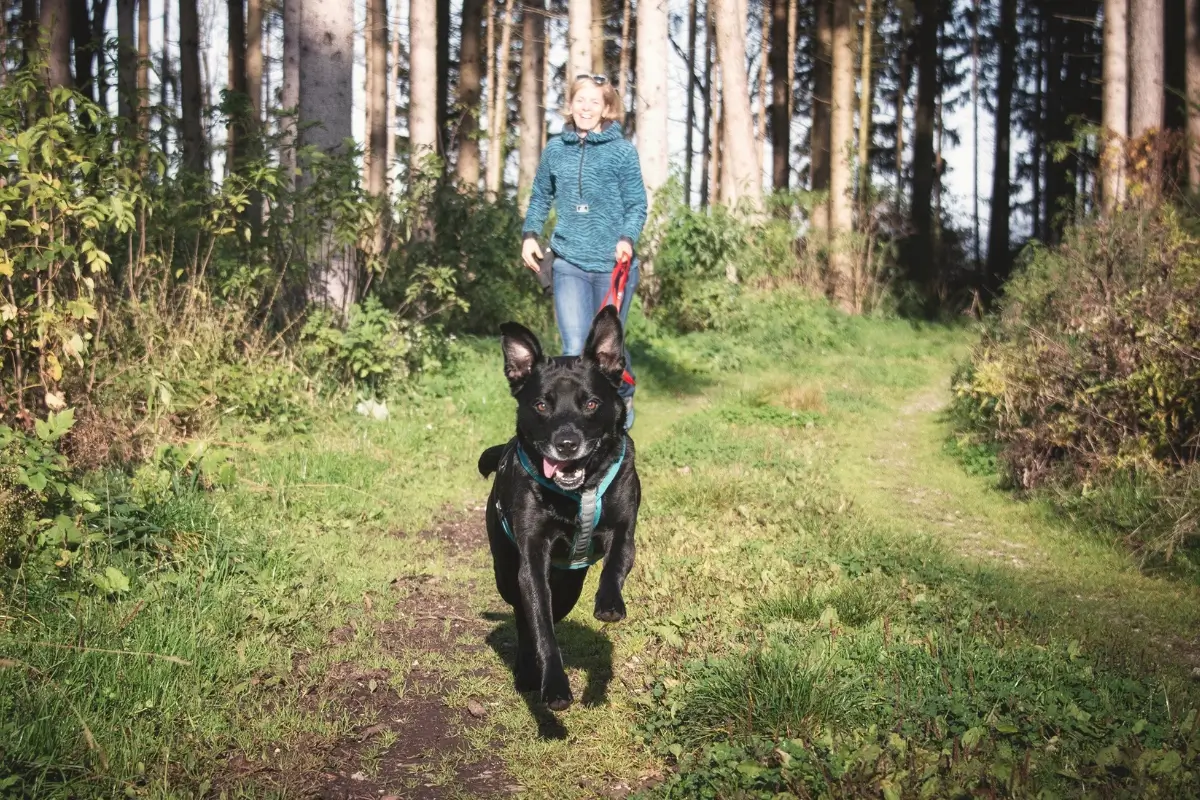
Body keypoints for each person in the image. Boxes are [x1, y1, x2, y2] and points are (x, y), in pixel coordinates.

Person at [521, 74, 648, 430]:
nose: (587, 108)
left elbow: (637, 204)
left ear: (607, 108)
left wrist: (627, 238)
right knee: (576, 344)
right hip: (569, 261)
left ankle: (622, 393)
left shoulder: (622, 151)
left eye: (595, 101)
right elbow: (541, 195)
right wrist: (530, 233)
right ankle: (579, 418)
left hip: (613, 265)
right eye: (581, 100)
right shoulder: (555, 149)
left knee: (607, 348)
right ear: (571, 104)